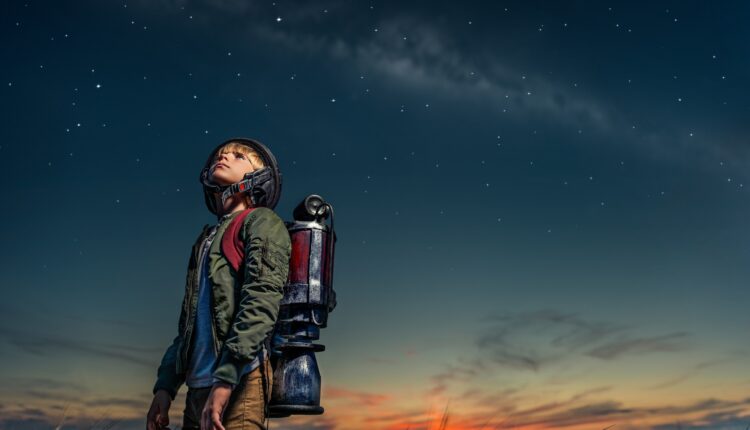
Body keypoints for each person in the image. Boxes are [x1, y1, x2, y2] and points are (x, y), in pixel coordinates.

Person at [146, 138, 291, 430]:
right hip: (198, 386)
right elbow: (187, 327)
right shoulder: (205, 239)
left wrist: (225, 380)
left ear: (258, 178)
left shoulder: (261, 221)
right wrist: (164, 388)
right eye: (219, 157)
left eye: (239, 157)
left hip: (239, 381)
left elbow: (260, 301)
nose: (223, 158)